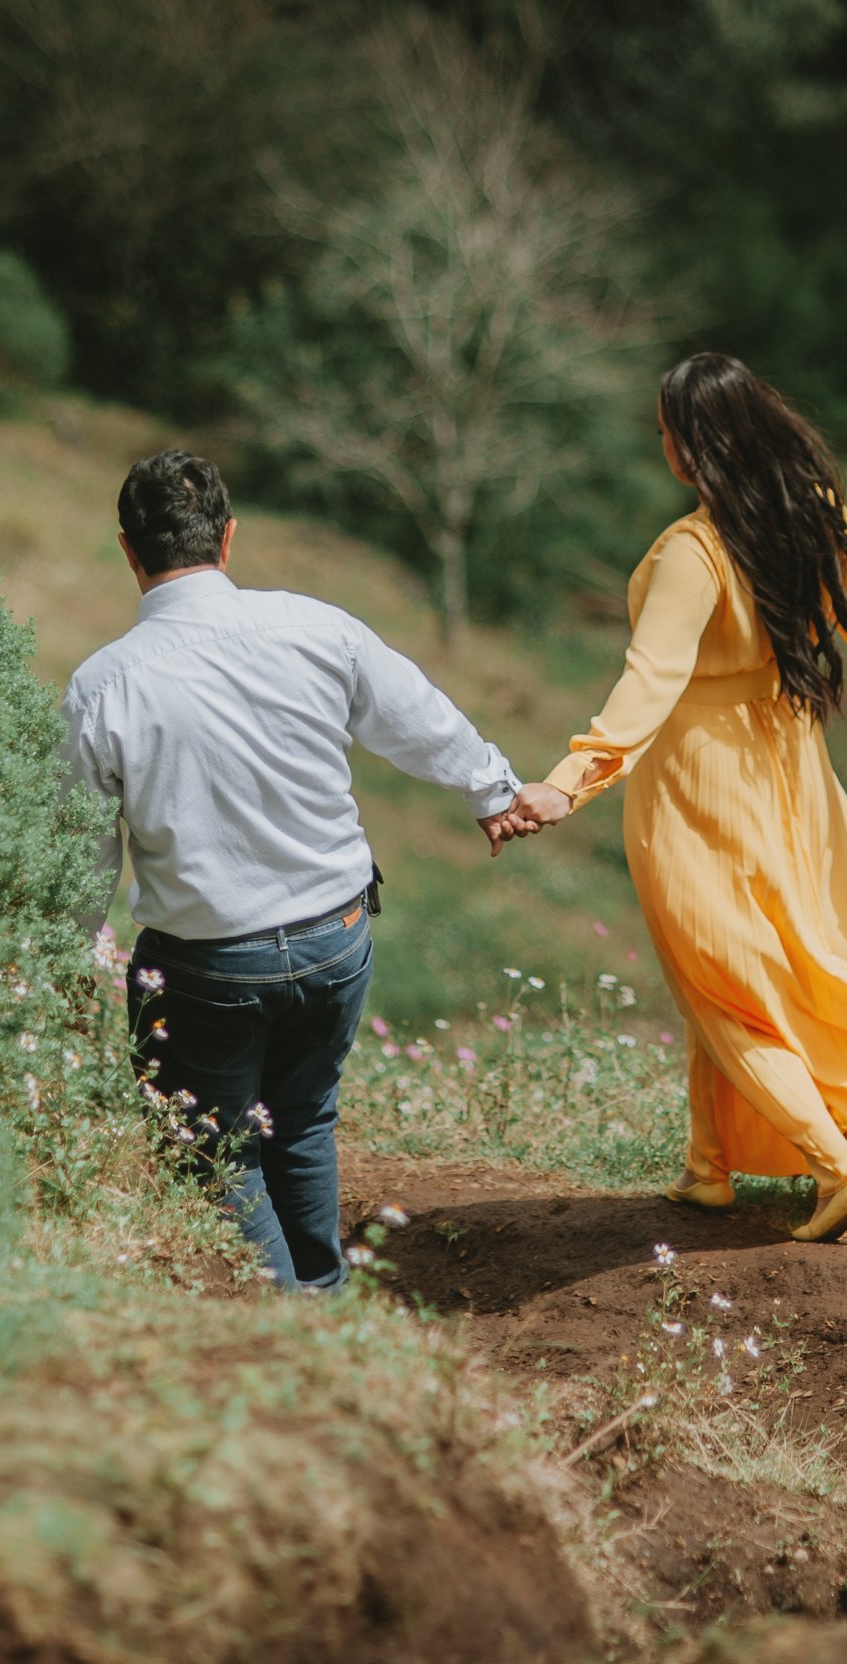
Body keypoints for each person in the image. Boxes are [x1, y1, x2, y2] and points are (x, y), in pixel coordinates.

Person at [511, 353, 847, 1243]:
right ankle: (709, 1170)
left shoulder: (691, 551)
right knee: (738, 970)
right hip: (791, 768)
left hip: (696, 780)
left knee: (723, 983)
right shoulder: (815, 520)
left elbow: (650, 680)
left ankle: (839, 1171)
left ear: (692, 445)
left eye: (665, 429)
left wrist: (568, 783)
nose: (661, 444)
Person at [62, 449, 538, 1290]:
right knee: (305, 1124)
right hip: (336, 936)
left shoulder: (102, 687)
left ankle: (293, 1328)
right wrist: (492, 789)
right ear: (229, 538)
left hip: (205, 966)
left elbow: (82, 851)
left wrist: (65, 956)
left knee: (214, 1148)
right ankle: (321, 1298)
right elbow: (416, 716)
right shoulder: (318, 627)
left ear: (129, 552)